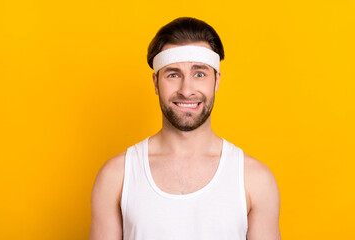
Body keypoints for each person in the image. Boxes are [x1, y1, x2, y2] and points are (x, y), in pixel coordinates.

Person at [89, 17, 281, 240]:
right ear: (155, 82)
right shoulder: (116, 176)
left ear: (216, 81)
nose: (186, 90)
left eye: (199, 74)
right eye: (173, 74)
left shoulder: (255, 179)